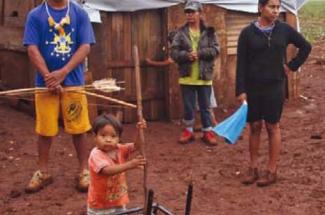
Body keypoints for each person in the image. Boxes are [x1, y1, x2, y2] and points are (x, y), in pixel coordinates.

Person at [236, 0, 311, 186]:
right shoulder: (247, 33)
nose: (276, 11)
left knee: (272, 126)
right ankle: (253, 168)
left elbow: (306, 46)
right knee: (254, 126)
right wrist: (241, 90)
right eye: (272, 7)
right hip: (253, 88)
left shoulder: (284, 30)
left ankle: (271, 170)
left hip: (275, 87)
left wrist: (291, 66)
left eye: (278, 7)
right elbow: (241, 64)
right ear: (261, 8)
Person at [23, 0, 96, 193]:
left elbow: (85, 46)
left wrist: (63, 72)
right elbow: (32, 48)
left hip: (73, 81)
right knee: (45, 129)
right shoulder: (35, 15)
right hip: (45, 84)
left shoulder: (79, 13)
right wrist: (49, 77)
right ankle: (43, 171)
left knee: (79, 128)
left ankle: (83, 171)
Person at [170, 1, 220, 146]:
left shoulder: (210, 32)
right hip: (187, 77)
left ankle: (207, 131)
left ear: (200, 13)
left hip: (204, 77)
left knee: (205, 106)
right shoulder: (180, 32)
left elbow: (216, 50)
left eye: (192, 12)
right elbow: (173, 52)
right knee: (188, 107)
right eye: (187, 12)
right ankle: (188, 131)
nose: (189, 15)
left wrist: (200, 53)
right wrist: (186, 56)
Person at [87, 114, 146, 215]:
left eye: (113, 136)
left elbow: (137, 146)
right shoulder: (96, 154)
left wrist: (140, 130)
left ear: (119, 138)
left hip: (118, 202)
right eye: (103, 135)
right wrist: (130, 165)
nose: (108, 139)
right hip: (100, 207)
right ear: (95, 137)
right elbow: (106, 171)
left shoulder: (119, 149)